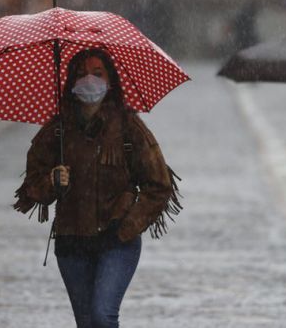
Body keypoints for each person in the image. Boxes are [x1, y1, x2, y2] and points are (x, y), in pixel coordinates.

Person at [13, 48, 181, 328]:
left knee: (103, 316)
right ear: (70, 82)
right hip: (72, 242)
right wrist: (52, 182)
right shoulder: (57, 130)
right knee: (87, 322)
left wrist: (128, 225)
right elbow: (31, 187)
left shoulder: (129, 128)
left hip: (116, 243)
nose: (89, 80)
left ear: (111, 80)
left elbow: (159, 185)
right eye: (81, 74)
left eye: (97, 73)